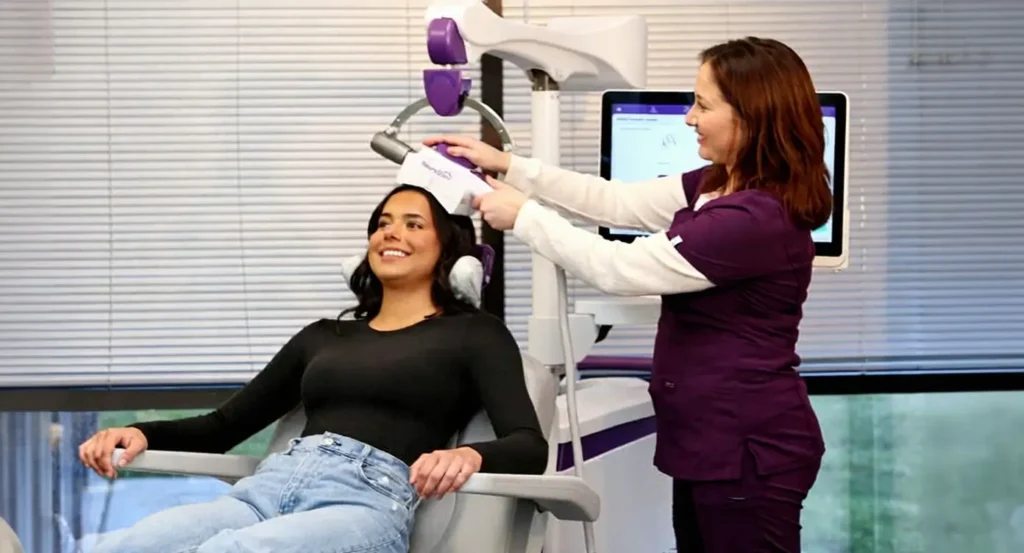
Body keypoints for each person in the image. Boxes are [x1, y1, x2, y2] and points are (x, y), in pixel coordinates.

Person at [425, 36, 830, 553]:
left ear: (751, 118)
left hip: (748, 447)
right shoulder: (718, 181)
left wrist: (523, 216)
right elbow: (616, 201)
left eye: (703, 105)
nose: (688, 118)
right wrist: (510, 165)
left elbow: (620, 268)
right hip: (713, 444)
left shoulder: (754, 220)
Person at [77, 184, 548, 553]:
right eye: (383, 223)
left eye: (412, 224)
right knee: (124, 546)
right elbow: (224, 426)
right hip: (266, 491)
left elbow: (528, 445)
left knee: (228, 551)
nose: (391, 233)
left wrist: (470, 455)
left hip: (363, 503)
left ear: (447, 247)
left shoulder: (475, 333)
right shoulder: (324, 336)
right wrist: (139, 432)